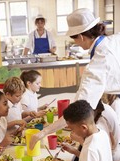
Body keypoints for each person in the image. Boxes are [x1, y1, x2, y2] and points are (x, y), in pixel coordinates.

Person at [29, 8, 120, 150]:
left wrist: (43, 133)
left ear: (82, 37)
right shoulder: (114, 40)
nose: (76, 43)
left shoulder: (98, 64)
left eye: (74, 39)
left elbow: (78, 109)